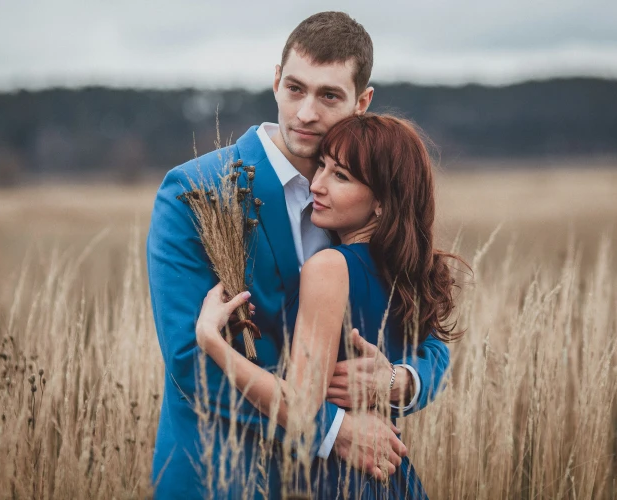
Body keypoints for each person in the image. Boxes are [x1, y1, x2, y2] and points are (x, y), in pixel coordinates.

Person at [146, 12, 452, 498]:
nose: (306, 112)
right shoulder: (196, 191)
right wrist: (332, 431)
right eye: (295, 88)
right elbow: (188, 358)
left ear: (362, 101)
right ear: (275, 81)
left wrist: (400, 381)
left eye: (329, 95)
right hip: (224, 475)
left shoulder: (369, 199)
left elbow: (430, 339)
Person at [195, 113, 465, 498]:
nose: (316, 186)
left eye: (341, 177)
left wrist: (212, 341)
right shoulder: (408, 270)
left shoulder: (330, 267)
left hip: (337, 478)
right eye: (322, 166)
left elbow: (302, 413)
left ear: (381, 204)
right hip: (390, 477)